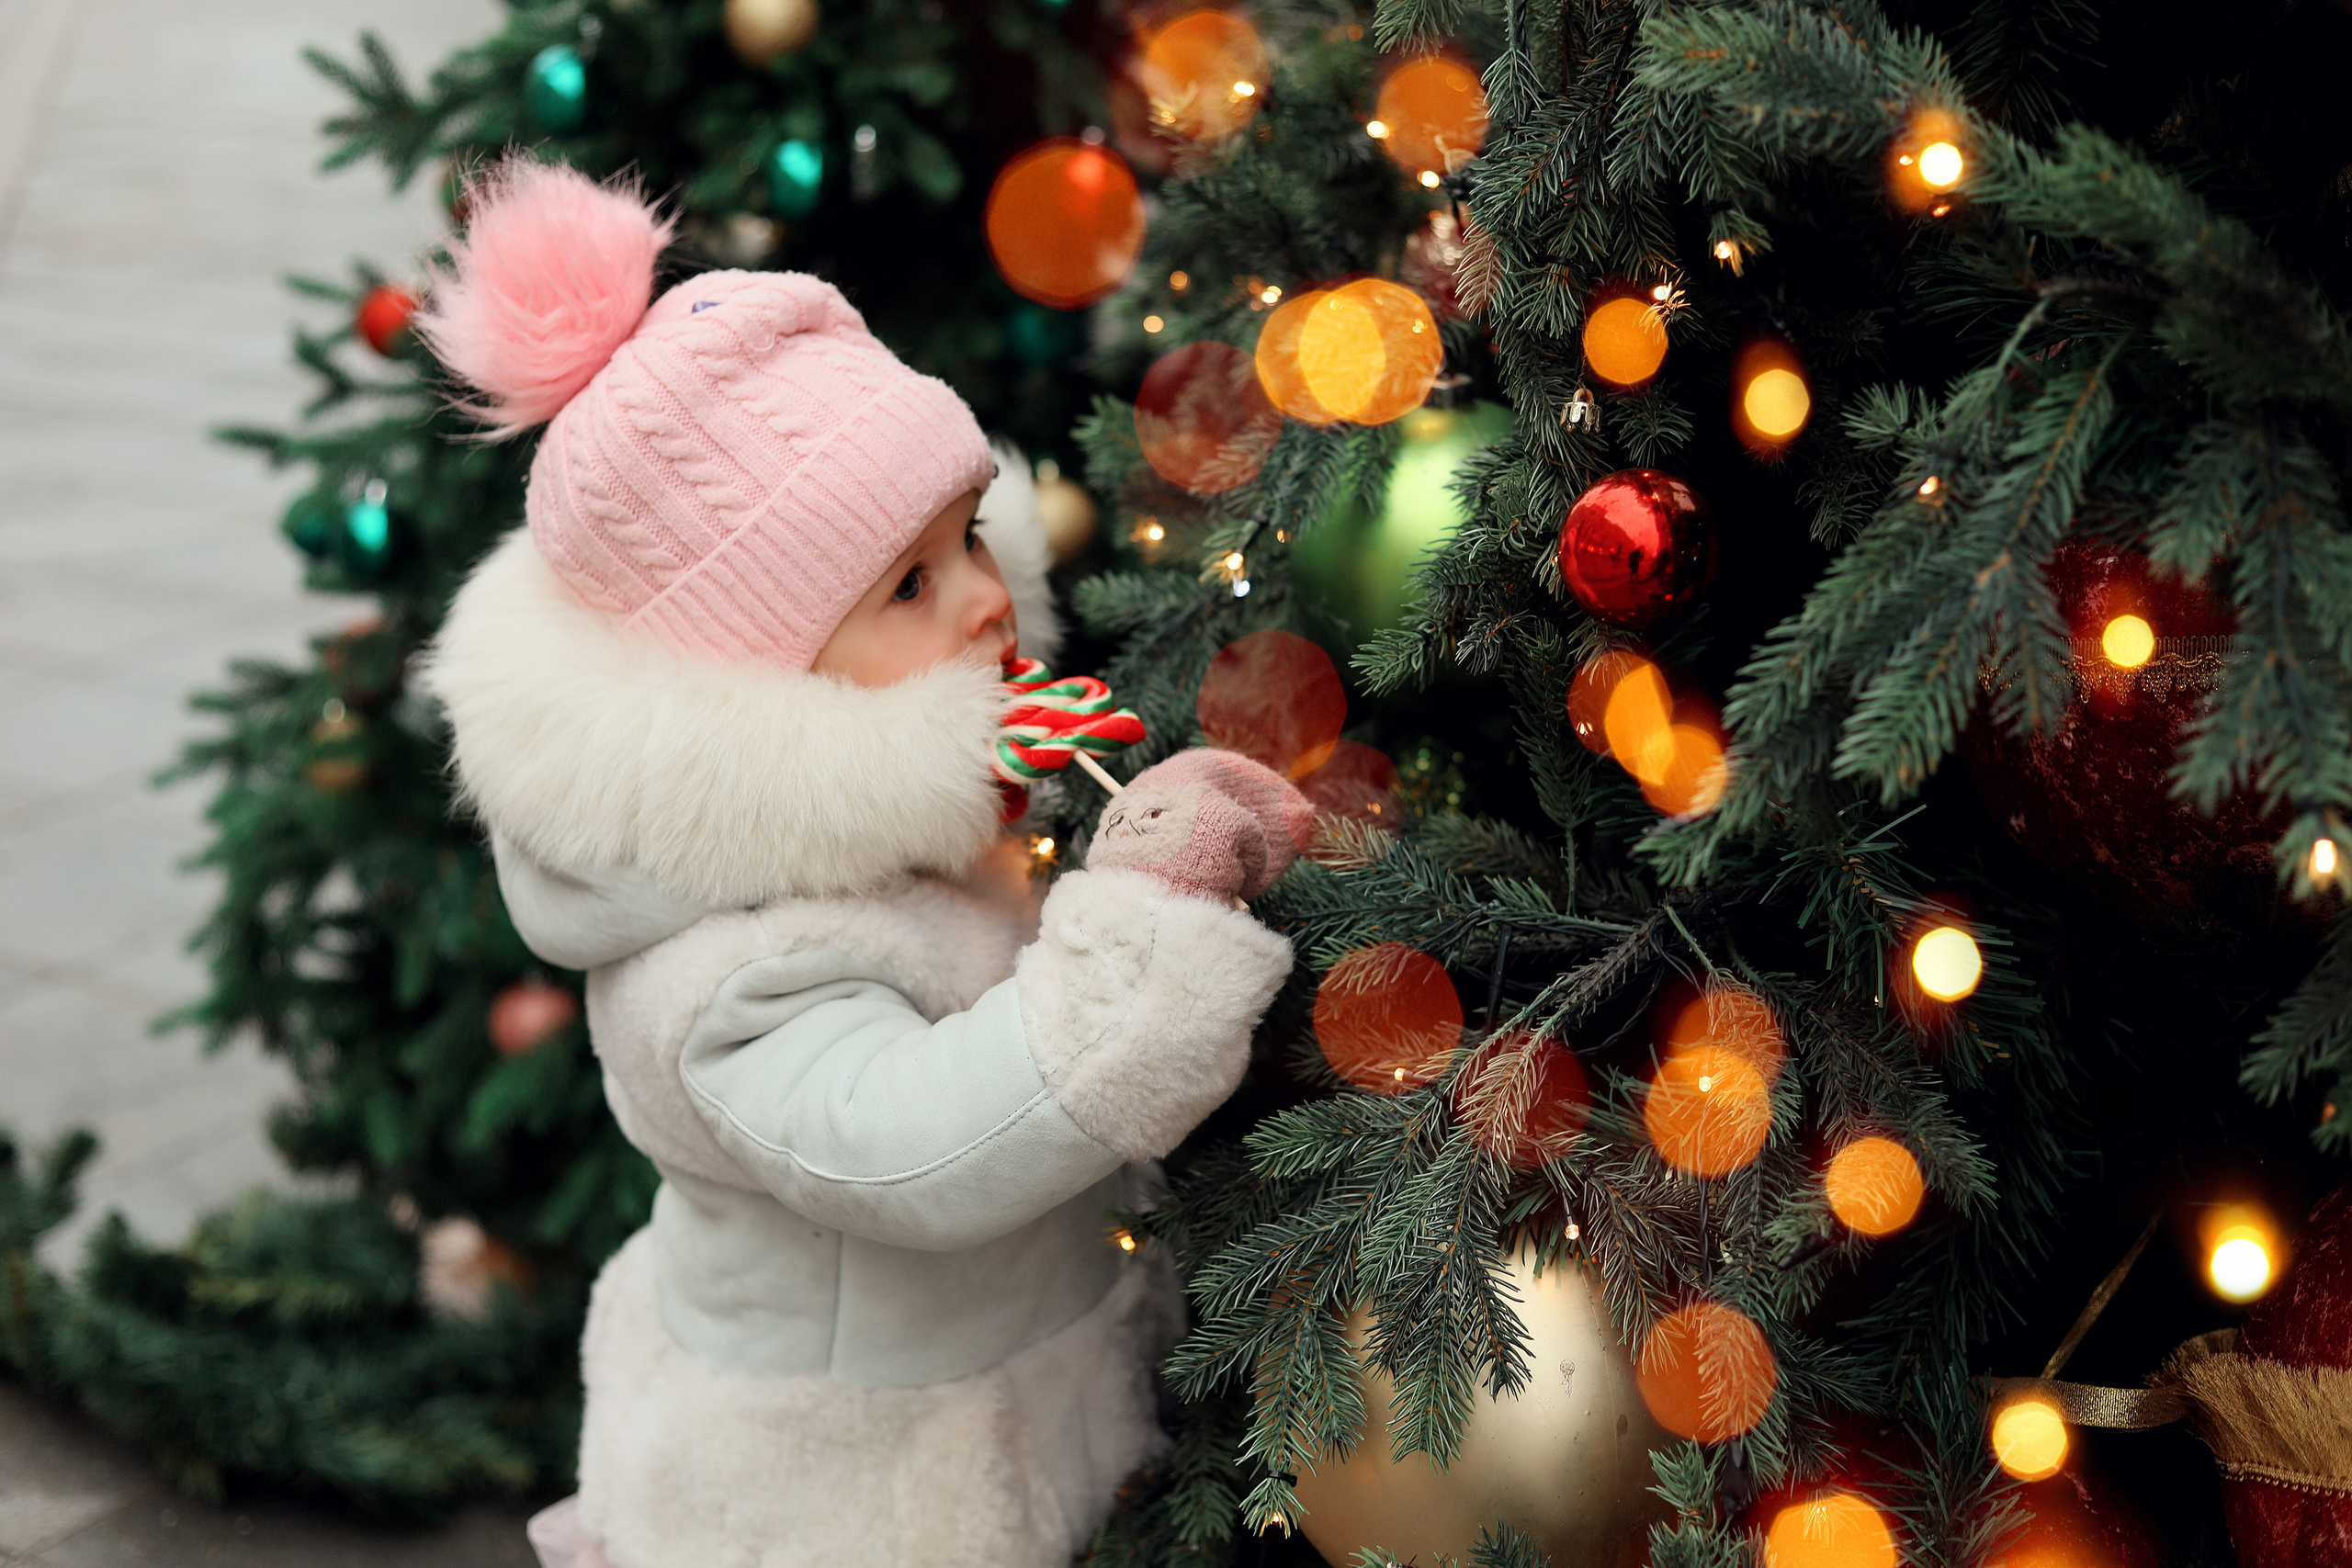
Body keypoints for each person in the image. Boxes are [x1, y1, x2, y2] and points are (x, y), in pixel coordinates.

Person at [417, 159, 1308, 1568]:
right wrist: (1145, 923)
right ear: (751, 677)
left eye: (968, 536)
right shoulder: (729, 966)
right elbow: (913, 1145)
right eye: (907, 584)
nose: (982, 600)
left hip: (1026, 1406)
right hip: (846, 1493)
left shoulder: (924, 808)